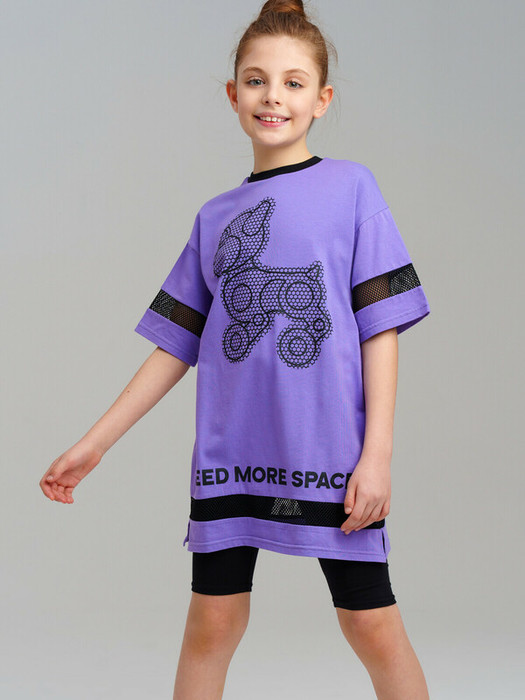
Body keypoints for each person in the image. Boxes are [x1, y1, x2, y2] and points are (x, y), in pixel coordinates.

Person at [40, 1, 432, 698]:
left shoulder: (352, 189)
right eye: (256, 81)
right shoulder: (215, 218)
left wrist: (376, 455)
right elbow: (175, 344)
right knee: (211, 625)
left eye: (292, 83)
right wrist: (94, 444)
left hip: (330, 456)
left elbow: (381, 327)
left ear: (321, 99)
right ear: (232, 95)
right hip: (232, 457)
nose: (272, 97)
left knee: (370, 623)